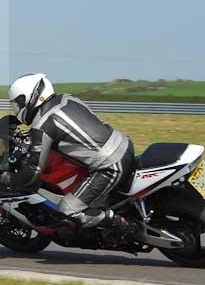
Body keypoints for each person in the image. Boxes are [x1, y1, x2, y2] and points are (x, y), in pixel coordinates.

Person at [7, 73, 134, 229]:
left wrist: (9, 179)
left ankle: (121, 225)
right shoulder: (67, 99)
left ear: (30, 97)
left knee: (67, 211)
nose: (17, 109)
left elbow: (34, 168)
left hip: (109, 165)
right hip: (124, 144)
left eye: (18, 103)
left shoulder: (42, 123)